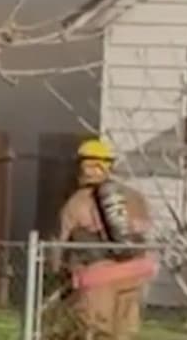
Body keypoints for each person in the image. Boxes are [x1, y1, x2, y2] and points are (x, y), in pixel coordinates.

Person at [53, 137, 156, 339]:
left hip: (97, 278)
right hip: (134, 274)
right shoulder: (135, 197)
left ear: (82, 167)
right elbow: (144, 232)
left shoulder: (77, 202)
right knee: (125, 332)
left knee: (97, 330)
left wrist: (56, 272)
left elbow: (59, 243)